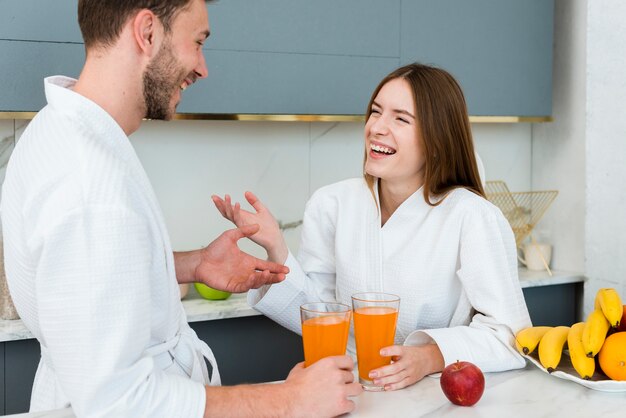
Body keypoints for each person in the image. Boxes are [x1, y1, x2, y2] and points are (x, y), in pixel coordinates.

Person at [1, 1, 362, 416]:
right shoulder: (90, 183)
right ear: (148, 32)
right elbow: (119, 403)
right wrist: (289, 399)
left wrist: (194, 265)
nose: (202, 67)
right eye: (198, 42)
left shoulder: (60, 127)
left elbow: (90, 272)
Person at [213, 62, 533, 391]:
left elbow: (509, 334)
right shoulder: (332, 204)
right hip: (349, 392)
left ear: (437, 138)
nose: (377, 127)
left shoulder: (473, 217)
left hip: (431, 396)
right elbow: (323, 315)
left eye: (400, 118)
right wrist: (276, 248)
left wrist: (429, 357)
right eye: (376, 112)